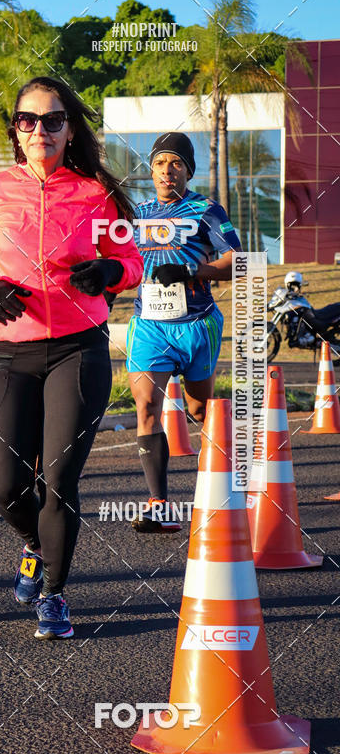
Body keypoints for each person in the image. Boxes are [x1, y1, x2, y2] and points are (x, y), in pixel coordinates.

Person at [0, 76, 143, 639]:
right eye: (28, 120)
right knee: (5, 486)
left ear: (69, 130)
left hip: (78, 350)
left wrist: (109, 270)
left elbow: (132, 262)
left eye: (53, 120)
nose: (40, 129)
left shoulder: (95, 194)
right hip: (9, 353)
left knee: (58, 479)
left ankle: (54, 595)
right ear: (16, 129)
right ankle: (35, 545)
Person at [126, 132, 241, 532]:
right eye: (160, 163)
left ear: (188, 171)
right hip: (149, 327)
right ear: (151, 170)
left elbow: (238, 261)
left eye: (176, 163)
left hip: (196, 325)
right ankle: (158, 505)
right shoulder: (137, 214)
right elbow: (121, 262)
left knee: (200, 411)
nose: (167, 171)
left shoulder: (206, 210)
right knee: (146, 408)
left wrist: (193, 270)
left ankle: (227, 492)